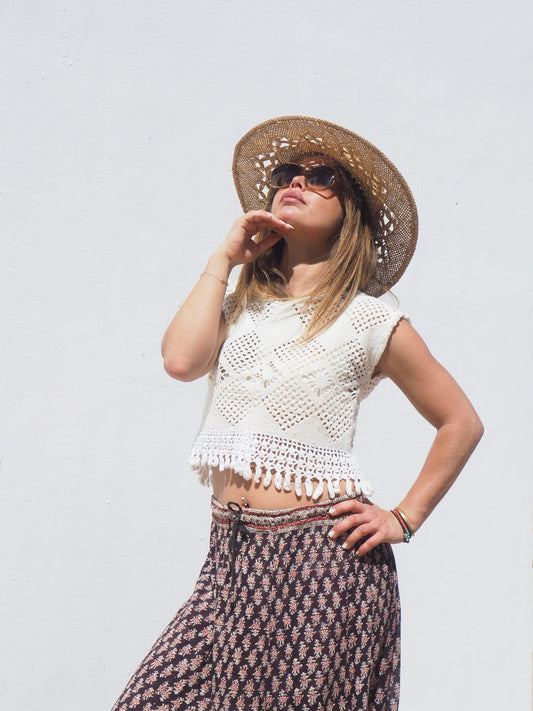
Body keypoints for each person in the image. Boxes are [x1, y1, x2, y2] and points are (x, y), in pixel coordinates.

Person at [111, 116, 483, 711]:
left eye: (322, 177)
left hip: (322, 564)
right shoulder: (241, 306)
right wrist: (223, 260)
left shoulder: (371, 320)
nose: (298, 181)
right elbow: (181, 361)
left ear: (351, 212)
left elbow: (461, 422)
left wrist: (403, 518)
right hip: (230, 558)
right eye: (288, 174)